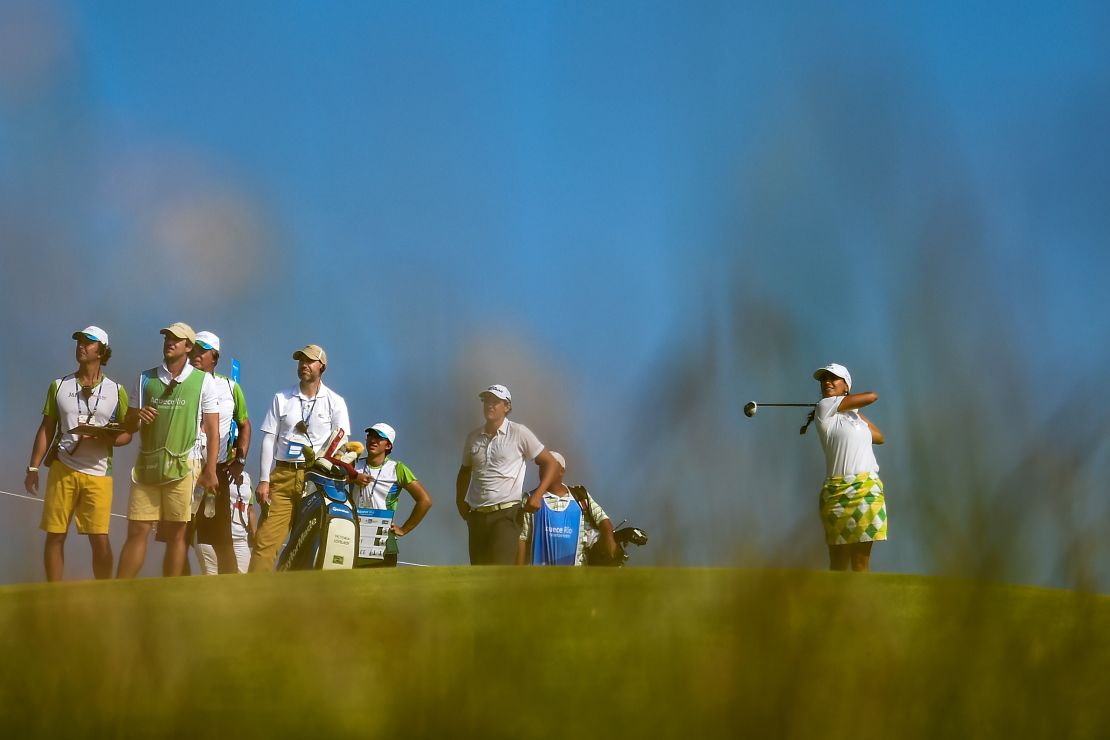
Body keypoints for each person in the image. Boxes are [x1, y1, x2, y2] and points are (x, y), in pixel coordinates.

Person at [24, 326, 132, 581]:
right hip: (63, 468)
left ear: (102, 351)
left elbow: (127, 433)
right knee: (55, 534)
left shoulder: (117, 391)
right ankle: (55, 595)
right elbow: (46, 428)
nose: (81, 346)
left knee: (99, 538)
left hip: (98, 473)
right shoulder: (59, 385)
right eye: (79, 341)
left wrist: (107, 436)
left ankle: (104, 591)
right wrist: (33, 468)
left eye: (89, 342)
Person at [116, 322, 220, 578]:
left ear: (188, 347)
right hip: (147, 466)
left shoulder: (203, 381)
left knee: (177, 532)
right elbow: (129, 425)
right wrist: (138, 415)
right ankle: (117, 589)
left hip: (184, 465)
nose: (170, 342)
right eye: (167, 338)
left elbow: (213, 429)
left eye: (177, 339)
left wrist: (211, 469)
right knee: (138, 529)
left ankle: (170, 591)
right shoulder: (145, 378)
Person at [249, 344, 350, 573]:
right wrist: (264, 480)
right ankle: (252, 596)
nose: (304, 365)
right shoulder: (282, 397)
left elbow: (342, 445)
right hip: (283, 477)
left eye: (310, 361)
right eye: (301, 361)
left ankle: (299, 601)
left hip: (317, 479)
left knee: (310, 542)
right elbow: (268, 439)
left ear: (321, 367)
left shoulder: (335, 402)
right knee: (265, 541)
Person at [456, 384, 560, 565]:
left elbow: (550, 462)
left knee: (497, 571)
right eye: (486, 401)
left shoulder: (519, 432)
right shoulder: (473, 437)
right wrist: (459, 501)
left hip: (507, 514)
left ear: (507, 407)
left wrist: (537, 495)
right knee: (478, 575)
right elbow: (464, 471)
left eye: (495, 401)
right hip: (477, 516)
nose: (490, 405)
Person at [811, 363, 887, 572]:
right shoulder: (824, 408)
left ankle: (860, 604)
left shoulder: (855, 417)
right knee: (838, 564)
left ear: (846, 386)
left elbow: (879, 438)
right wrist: (847, 403)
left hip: (866, 490)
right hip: (836, 492)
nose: (827, 382)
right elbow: (872, 396)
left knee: (861, 563)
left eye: (833, 378)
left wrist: (853, 410)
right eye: (824, 379)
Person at [188, 331, 251, 574]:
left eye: (201, 350)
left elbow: (245, 424)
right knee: (180, 538)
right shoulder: (181, 382)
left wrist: (241, 460)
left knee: (219, 538)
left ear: (214, 357)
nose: (195, 355)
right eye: (193, 349)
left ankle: (232, 593)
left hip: (217, 471)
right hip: (185, 466)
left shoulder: (230, 386)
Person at [351, 423, 432, 568]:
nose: (372, 440)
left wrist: (404, 529)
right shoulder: (353, 465)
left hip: (383, 537)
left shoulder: (397, 468)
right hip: (353, 533)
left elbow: (425, 501)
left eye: (378, 438)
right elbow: (332, 481)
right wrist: (353, 477)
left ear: (388, 446)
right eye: (370, 435)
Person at [516, 451, 616, 566]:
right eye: (542, 466)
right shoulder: (530, 500)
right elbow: (523, 538)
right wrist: (519, 573)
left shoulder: (579, 496)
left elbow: (603, 519)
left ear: (561, 471)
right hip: (538, 576)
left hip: (575, 575)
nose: (543, 470)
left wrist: (609, 538)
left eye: (549, 466)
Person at [195, 472, 256, 575]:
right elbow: (196, 500)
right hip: (214, 536)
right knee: (212, 576)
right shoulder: (211, 472)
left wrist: (255, 533)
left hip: (240, 539)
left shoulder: (247, 477)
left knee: (242, 581)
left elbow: (249, 509)